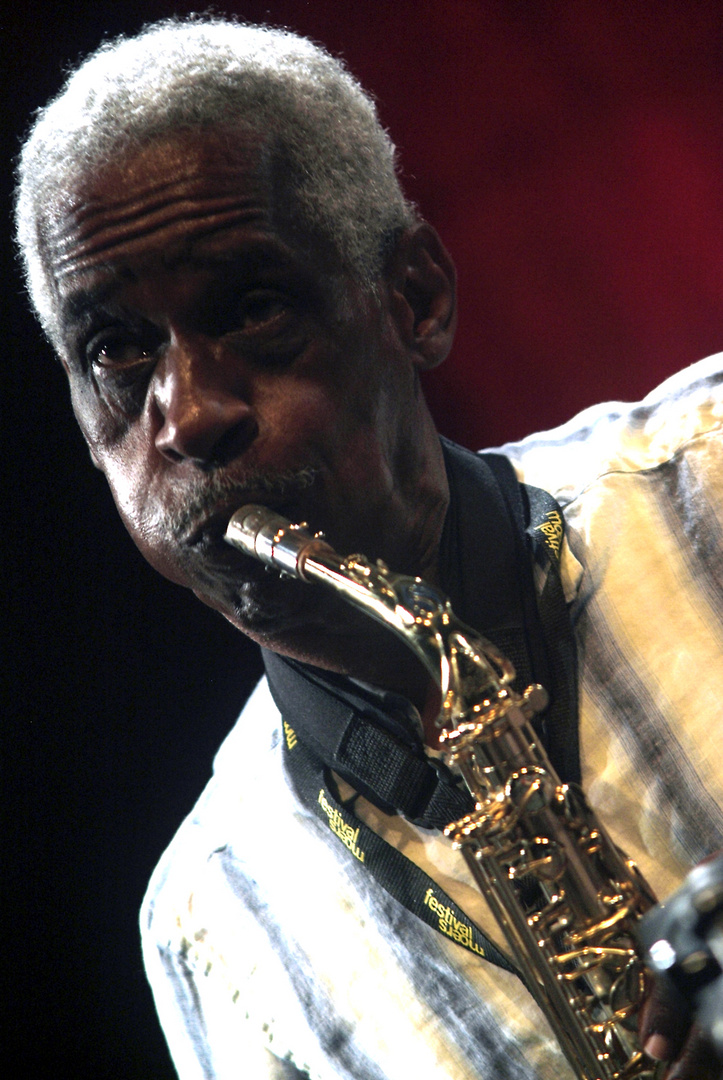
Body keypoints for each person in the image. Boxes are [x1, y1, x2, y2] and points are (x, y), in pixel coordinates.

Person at [15, 16, 723, 1080]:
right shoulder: (215, 931)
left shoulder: (711, 476)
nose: (190, 415)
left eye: (251, 308)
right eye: (115, 348)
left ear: (416, 298)